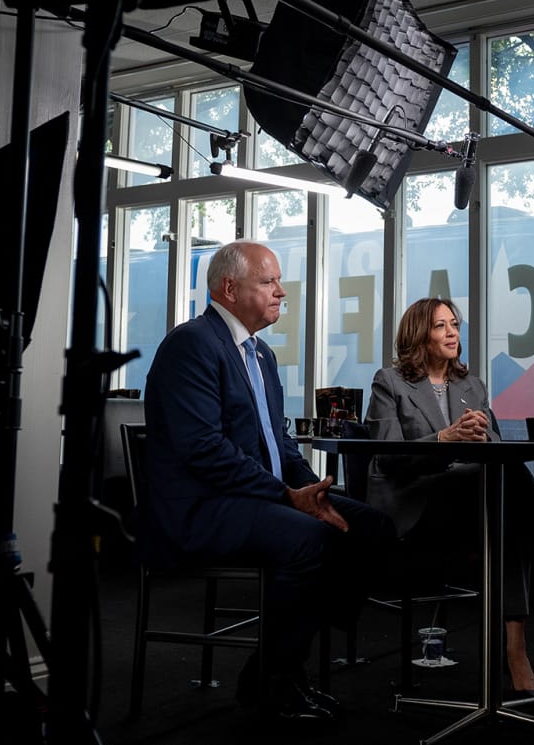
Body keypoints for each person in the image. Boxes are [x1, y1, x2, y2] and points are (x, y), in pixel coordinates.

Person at [139, 240, 395, 724]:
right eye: (269, 282)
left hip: (261, 500)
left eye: (278, 282)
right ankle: (273, 683)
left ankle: (285, 656)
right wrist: (286, 496)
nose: (282, 292)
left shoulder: (262, 356)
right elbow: (204, 451)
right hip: (202, 508)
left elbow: (280, 444)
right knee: (314, 541)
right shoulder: (191, 344)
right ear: (229, 288)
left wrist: (312, 489)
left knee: (370, 527)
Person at [365, 297, 534, 698]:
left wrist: (482, 434)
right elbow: (387, 455)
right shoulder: (390, 382)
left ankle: (516, 648)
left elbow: (494, 450)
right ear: (418, 334)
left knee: (505, 504)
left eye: (454, 324)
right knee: (505, 490)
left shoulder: (471, 385)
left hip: (471, 499)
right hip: (415, 503)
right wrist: (445, 437)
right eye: (441, 326)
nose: (453, 332)